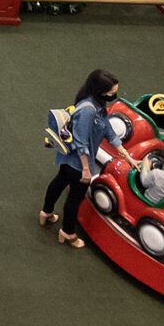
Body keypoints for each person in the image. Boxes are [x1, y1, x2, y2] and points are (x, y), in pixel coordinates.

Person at [42, 70, 118, 248]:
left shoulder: (92, 103)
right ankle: (68, 232)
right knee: (75, 198)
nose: (114, 95)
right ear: (102, 91)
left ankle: (46, 212)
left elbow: (108, 129)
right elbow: (81, 142)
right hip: (79, 162)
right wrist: (86, 169)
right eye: (112, 92)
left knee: (60, 181)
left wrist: (125, 154)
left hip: (68, 157)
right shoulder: (89, 112)